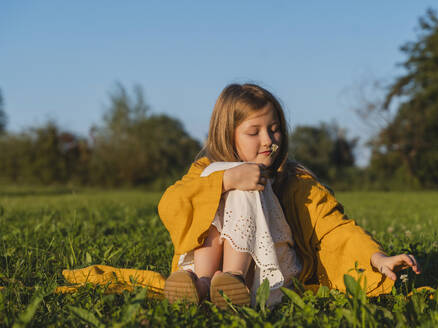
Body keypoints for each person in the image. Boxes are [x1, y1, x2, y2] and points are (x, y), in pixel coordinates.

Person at [158, 83, 421, 307]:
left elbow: (334, 227)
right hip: (208, 272)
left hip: (267, 276)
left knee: (248, 182)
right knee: (218, 176)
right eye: (254, 132)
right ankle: (203, 286)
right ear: (228, 135)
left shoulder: (295, 180)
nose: (268, 140)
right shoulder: (206, 170)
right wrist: (225, 180)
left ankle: (232, 278)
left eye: (274, 129)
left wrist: (376, 258)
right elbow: (172, 205)